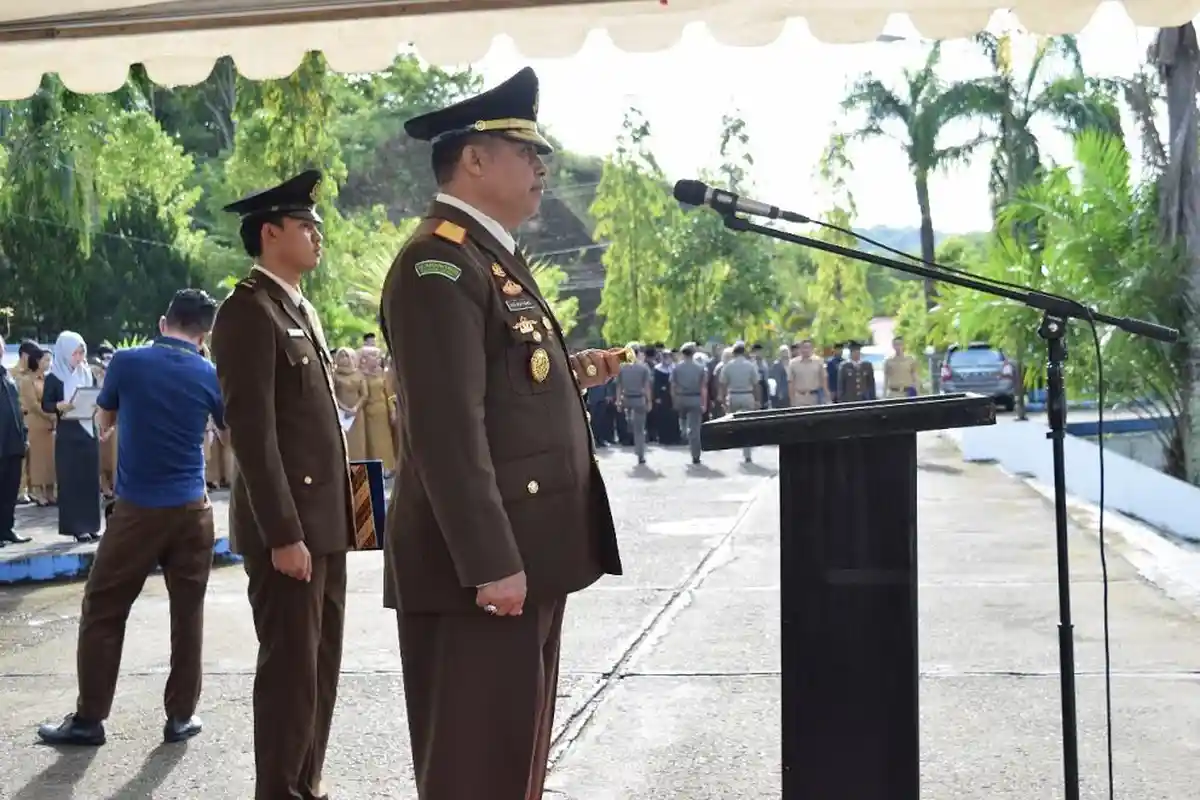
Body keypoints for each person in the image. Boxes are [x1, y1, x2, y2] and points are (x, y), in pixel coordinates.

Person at [381, 66, 625, 800]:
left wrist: (571, 372)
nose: (542, 167)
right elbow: (447, 430)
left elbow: (500, 386)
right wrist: (491, 561)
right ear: (475, 160)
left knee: (513, 766)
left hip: (526, 557)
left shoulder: (489, 259)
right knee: (475, 771)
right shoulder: (438, 265)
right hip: (480, 573)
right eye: (527, 151)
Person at [210, 169, 354, 800]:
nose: (317, 235)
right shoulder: (245, 312)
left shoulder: (298, 307)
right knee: (290, 673)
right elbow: (255, 435)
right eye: (306, 226)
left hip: (326, 522)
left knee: (321, 668)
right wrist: (284, 533)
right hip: (290, 529)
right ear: (271, 233)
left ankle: (306, 784)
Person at [36, 290, 225, 747]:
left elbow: (104, 418)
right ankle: (180, 716)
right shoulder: (209, 374)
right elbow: (228, 431)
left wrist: (114, 420)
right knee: (188, 613)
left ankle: (89, 719)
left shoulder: (128, 361)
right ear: (205, 333)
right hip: (192, 509)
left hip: (139, 508)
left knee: (103, 608)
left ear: (163, 322)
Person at [42, 331, 102, 542]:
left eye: (81, 353)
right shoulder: (54, 377)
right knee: (72, 481)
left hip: (88, 431)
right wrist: (59, 406)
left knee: (90, 480)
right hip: (68, 434)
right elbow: (46, 404)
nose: (78, 358)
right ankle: (76, 527)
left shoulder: (88, 373)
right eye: (75, 353)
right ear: (65, 353)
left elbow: (96, 395)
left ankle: (92, 524)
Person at [0, 334, 30, 547]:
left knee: (10, 489)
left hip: (13, 443)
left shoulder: (7, 376)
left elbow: (16, 410)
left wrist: (24, 435)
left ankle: (6, 529)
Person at [719, 341, 761, 463]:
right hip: (747, 395)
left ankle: (735, 442)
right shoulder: (750, 366)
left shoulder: (728, 366)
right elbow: (756, 384)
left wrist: (723, 400)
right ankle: (747, 452)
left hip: (733, 396)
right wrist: (757, 400)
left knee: (734, 423)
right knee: (747, 425)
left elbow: (722, 384)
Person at [671, 342, 708, 465]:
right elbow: (703, 387)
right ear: (694, 353)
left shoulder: (676, 368)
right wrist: (704, 403)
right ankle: (695, 454)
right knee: (695, 428)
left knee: (682, 419)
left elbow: (673, 386)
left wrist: (674, 399)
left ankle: (683, 430)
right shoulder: (700, 368)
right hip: (695, 398)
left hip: (681, 398)